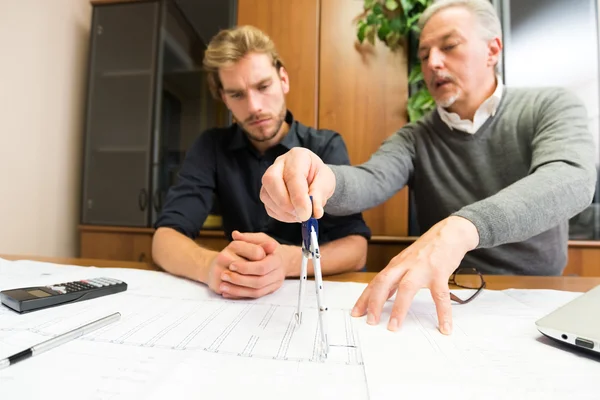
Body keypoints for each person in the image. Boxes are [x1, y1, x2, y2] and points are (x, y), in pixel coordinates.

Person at [259, 0, 597, 335]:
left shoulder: (549, 106)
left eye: (449, 46)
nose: (433, 62)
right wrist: (322, 177)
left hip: (537, 294)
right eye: (423, 55)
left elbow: (571, 176)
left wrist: (463, 228)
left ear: (492, 50)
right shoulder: (415, 138)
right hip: (446, 295)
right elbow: (370, 178)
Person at [152, 25, 371, 300]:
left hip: (310, 296)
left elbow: (356, 248)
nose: (254, 106)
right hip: (237, 297)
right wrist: (211, 267)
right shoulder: (211, 146)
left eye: (263, 86)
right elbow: (164, 239)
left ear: (284, 80)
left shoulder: (325, 145)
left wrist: (287, 261)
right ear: (224, 99)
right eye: (237, 94)